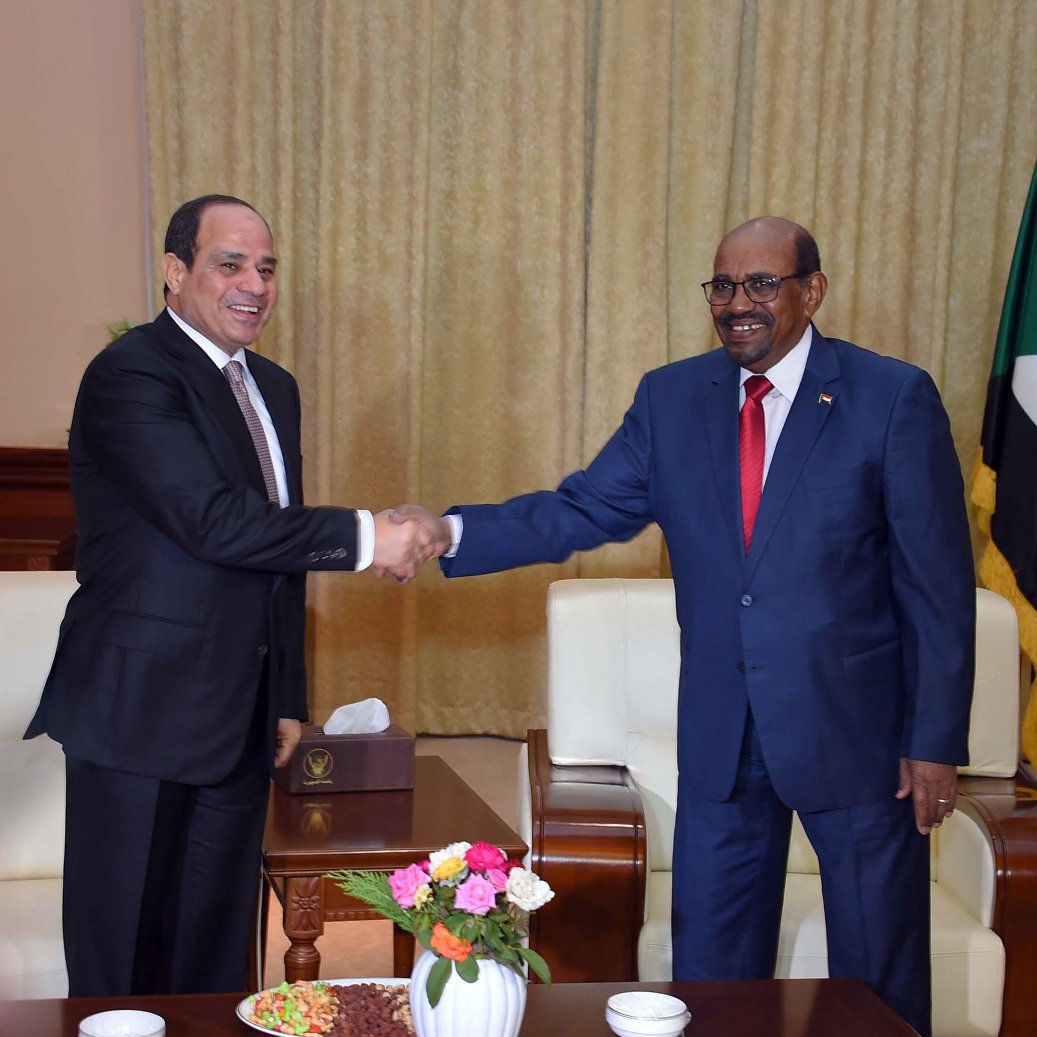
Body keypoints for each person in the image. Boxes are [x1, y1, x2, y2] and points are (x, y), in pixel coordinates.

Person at [394, 216, 975, 1037]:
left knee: (876, 982)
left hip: (859, 742)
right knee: (706, 983)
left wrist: (934, 738)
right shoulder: (671, 400)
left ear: (811, 291)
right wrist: (449, 533)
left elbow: (937, 586)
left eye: (762, 285)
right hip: (720, 737)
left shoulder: (890, 398)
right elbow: (580, 508)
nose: (738, 304)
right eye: (723, 286)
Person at [23, 194, 448, 996]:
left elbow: (273, 552)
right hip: (137, 717)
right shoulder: (131, 374)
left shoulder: (272, 388)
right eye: (230, 264)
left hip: (239, 715)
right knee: (123, 963)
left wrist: (285, 695)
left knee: (217, 959)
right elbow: (215, 524)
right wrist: (370, 537)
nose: (254, 283)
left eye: (267, 267)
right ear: (174, 271)